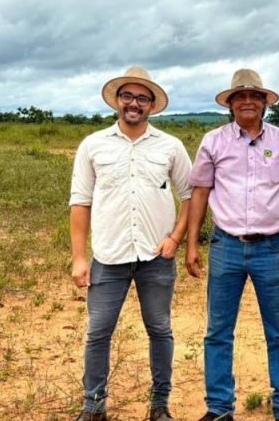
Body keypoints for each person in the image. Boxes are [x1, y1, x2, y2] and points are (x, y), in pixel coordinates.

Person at [185, 69, 279, 421]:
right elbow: (200, 193)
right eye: (240, 97)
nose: (248, 102)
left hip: (272, 247)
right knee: (218, 331)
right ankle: (220, 407)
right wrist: (193, 244)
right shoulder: (213, 142)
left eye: (255, 96)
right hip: (225, 246)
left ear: (266, 103)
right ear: (230, 104)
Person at [69, 66, 192, 421]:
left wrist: (176, 238)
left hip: (156, 256)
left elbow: (190, 195)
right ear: (117, 101)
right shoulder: (93, 145)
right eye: (128, 96)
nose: (134, 103)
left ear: (152, 105)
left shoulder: (170, 146)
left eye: (142, 97)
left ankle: (159, 405)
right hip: (109, 255)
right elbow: (80, 201)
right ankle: (93, 406)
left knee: (160, 329)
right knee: (98, 332)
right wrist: (79, 257)